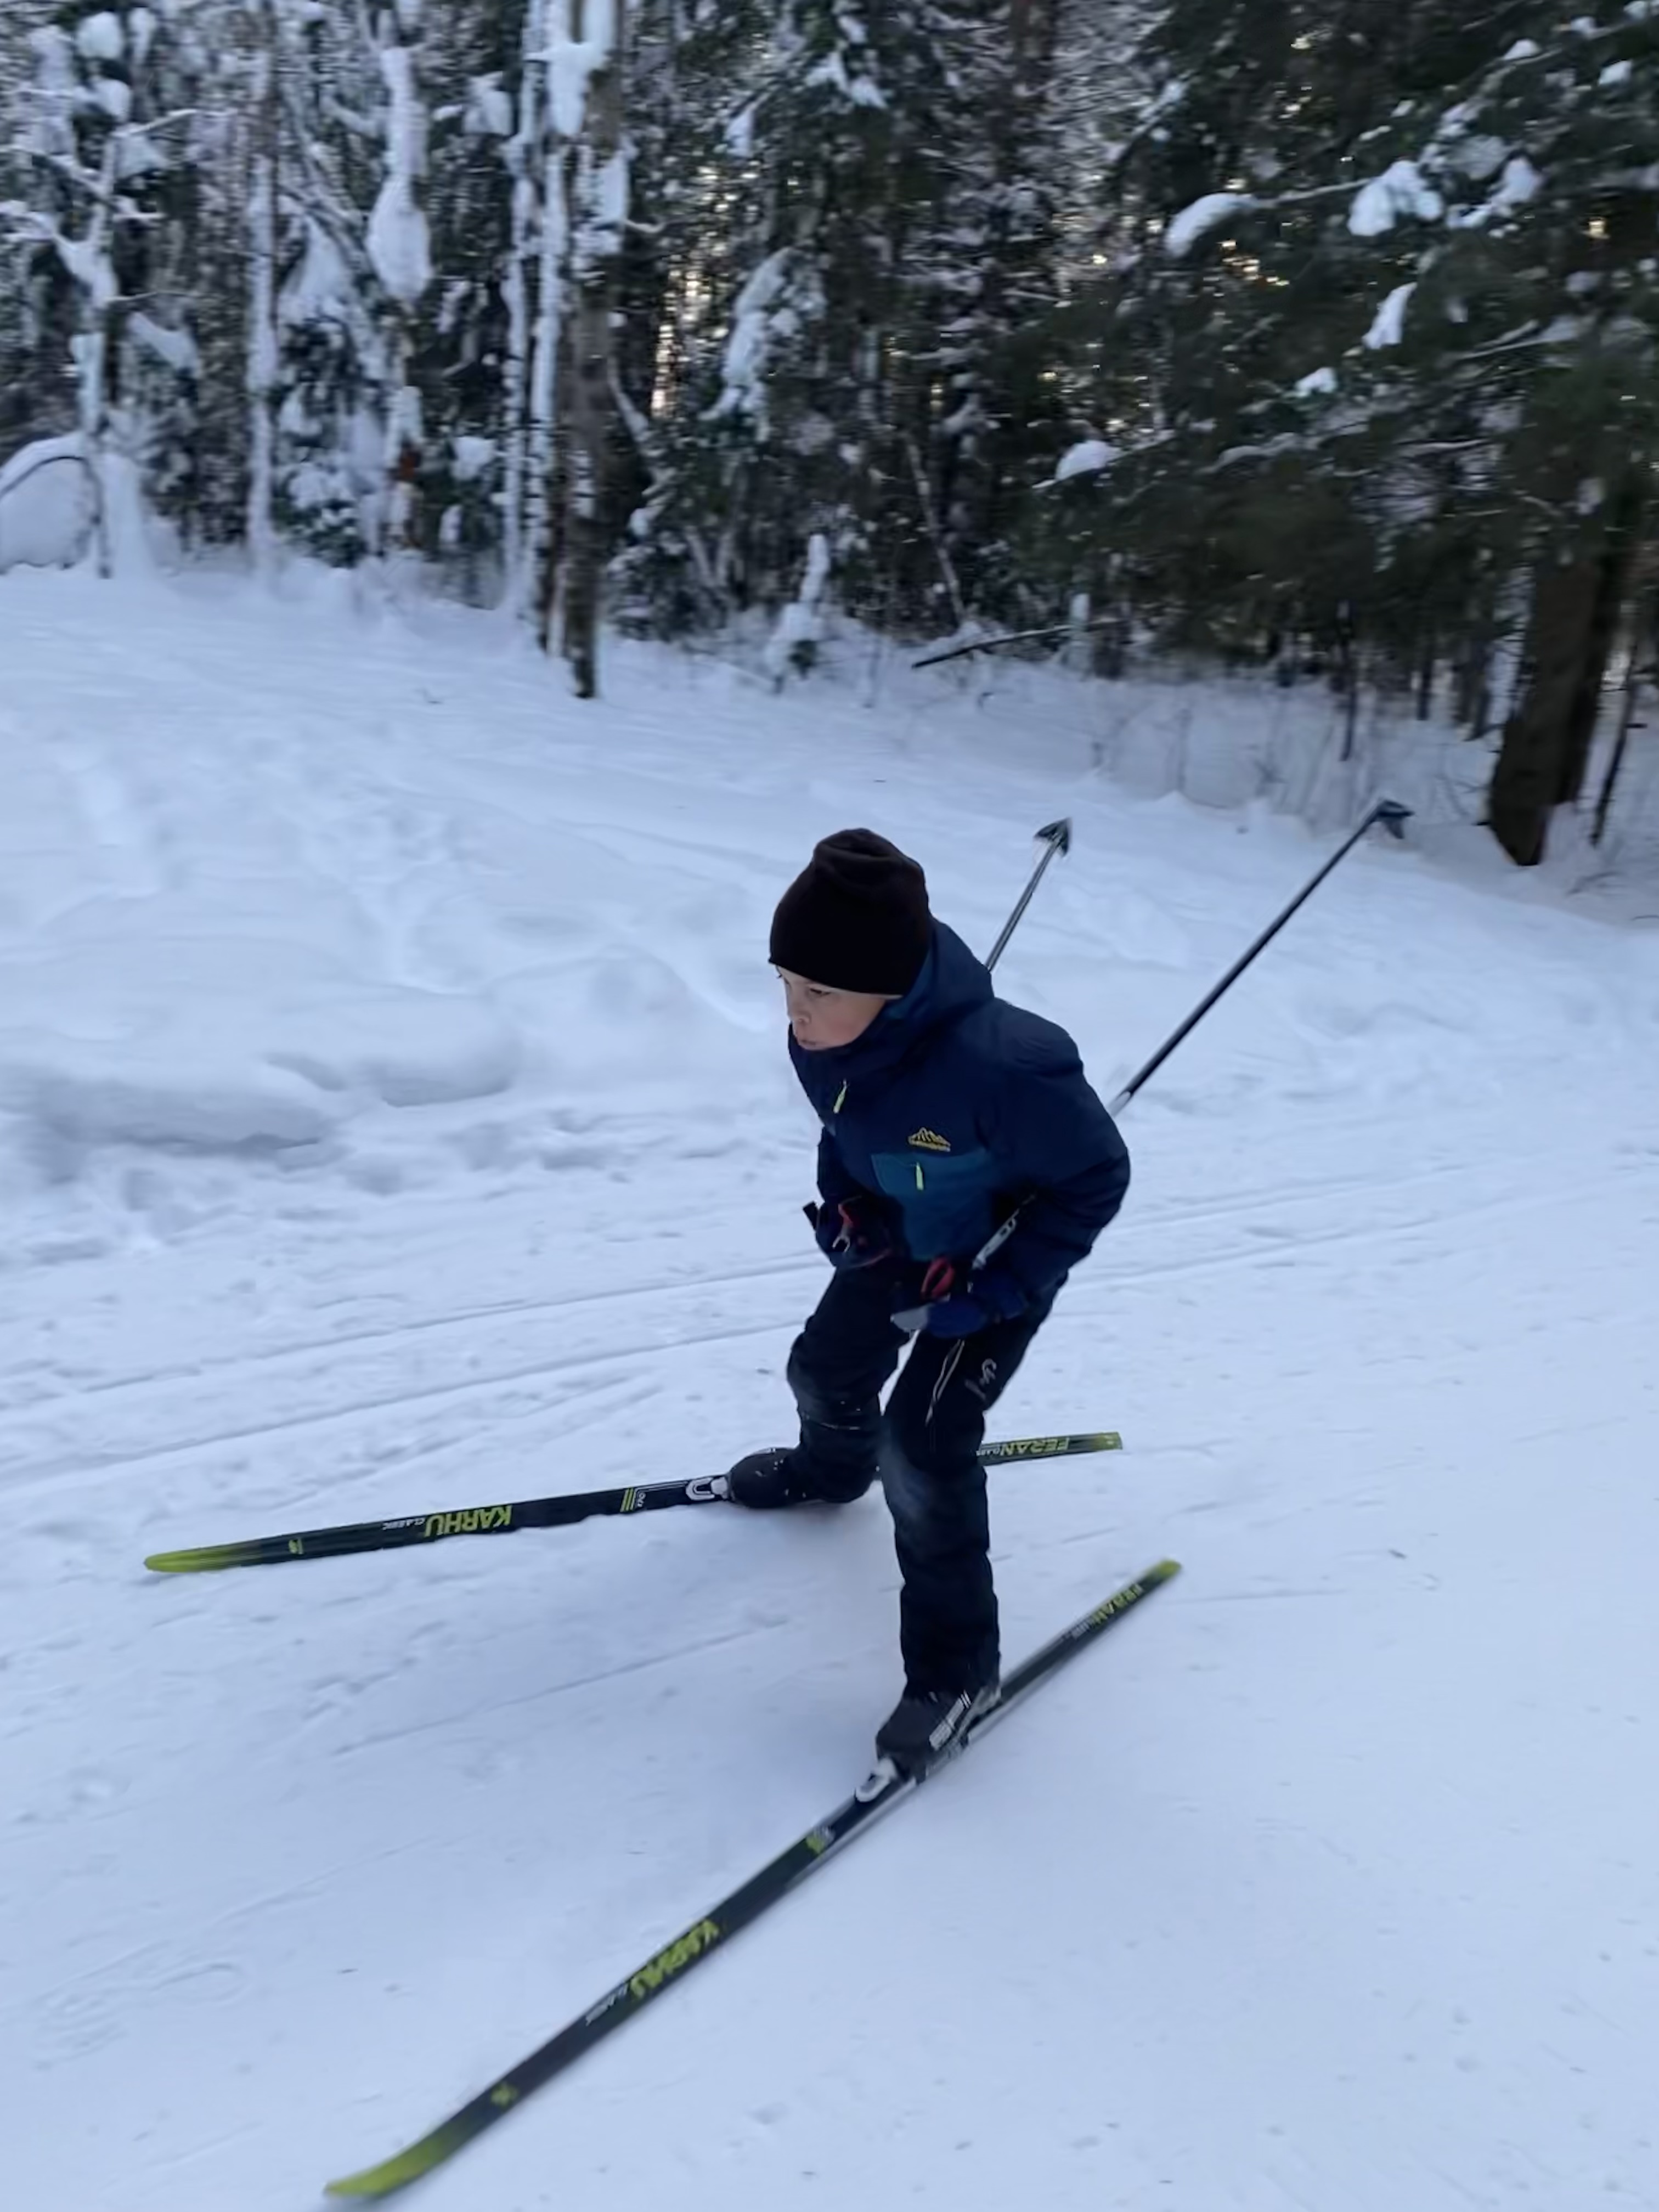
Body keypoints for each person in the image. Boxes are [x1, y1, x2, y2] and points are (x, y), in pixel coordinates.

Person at [728, 828, 1130, 1776]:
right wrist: (852, 1211)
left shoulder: (1010, 1068)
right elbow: (850, 1133)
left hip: (991, 1266)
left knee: (924, 1443)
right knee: (821, 1370)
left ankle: (957, 1674)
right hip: (903, 1239)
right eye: (784, 982)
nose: (796, 1013)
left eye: (819, 990)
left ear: (894, 989)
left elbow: (1096, 1179)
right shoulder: (828, 1039)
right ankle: (832, 1472)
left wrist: (1000, 1283)